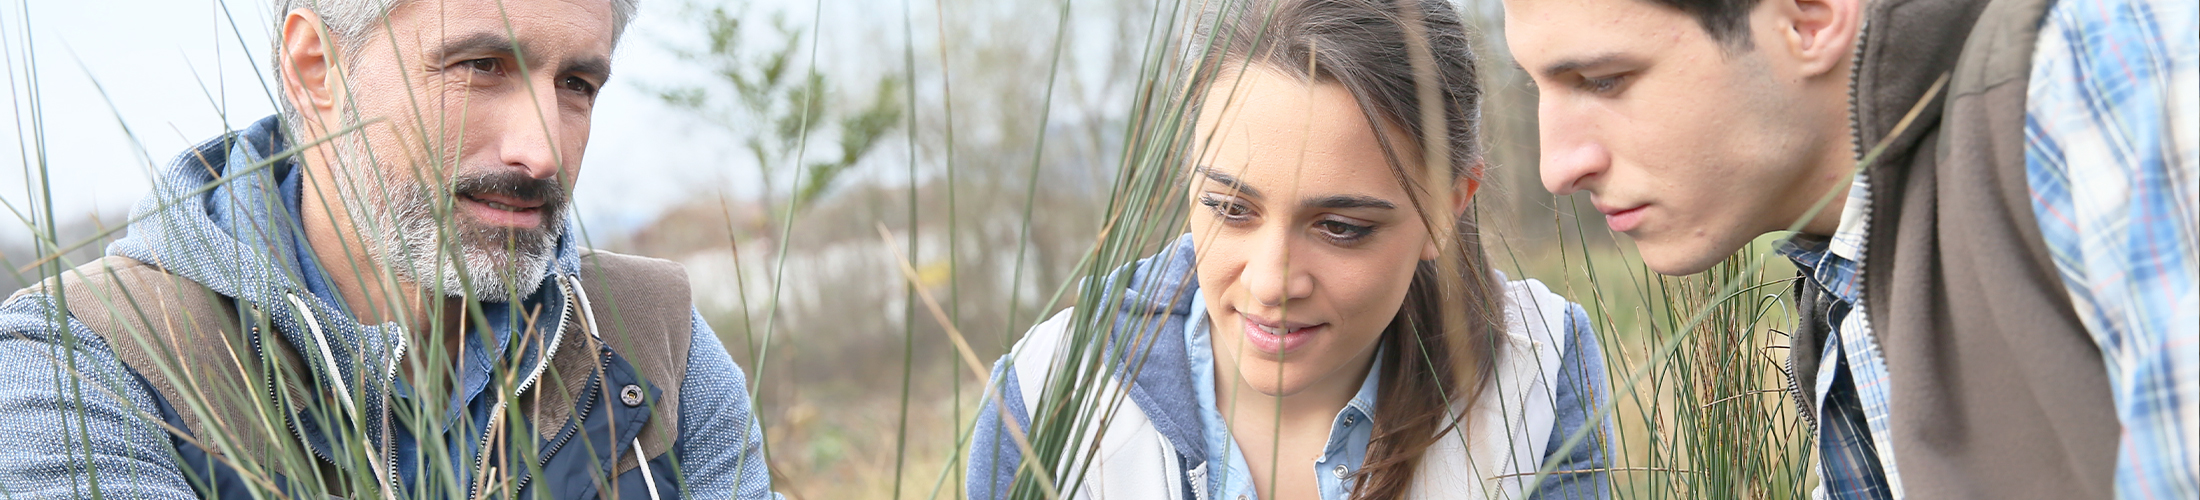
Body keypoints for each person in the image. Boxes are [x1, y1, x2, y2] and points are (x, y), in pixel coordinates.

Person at [0, 0, 779, 498]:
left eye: (576, 83)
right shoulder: (84, 359)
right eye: (481, 66)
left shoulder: (649, 336)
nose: (541, 152)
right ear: (316, 67)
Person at [1501, 0, 2196, 495]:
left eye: (1602, 80)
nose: (1557, 167)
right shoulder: (1843, 273)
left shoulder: (2107, 68)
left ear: (1810, 18)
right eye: (1538, 88)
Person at [966, 0, 1613, 498]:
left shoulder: (1538, 368)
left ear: (1448, 208)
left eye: (1340, 227)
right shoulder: (1047, 392)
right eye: (1230, 208)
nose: (1272, 283)